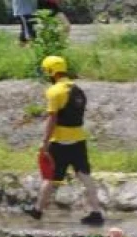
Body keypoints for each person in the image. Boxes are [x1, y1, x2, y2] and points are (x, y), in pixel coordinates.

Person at [25, 55, 105, 226]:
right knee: (85, 176)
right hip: (79, 139)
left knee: (50, 177)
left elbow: (52, 118)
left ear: (51, 72)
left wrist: (45, 142)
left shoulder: (54, 91)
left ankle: (38, 210)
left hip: (59, 141)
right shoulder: (78, 89)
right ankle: (96, 212)